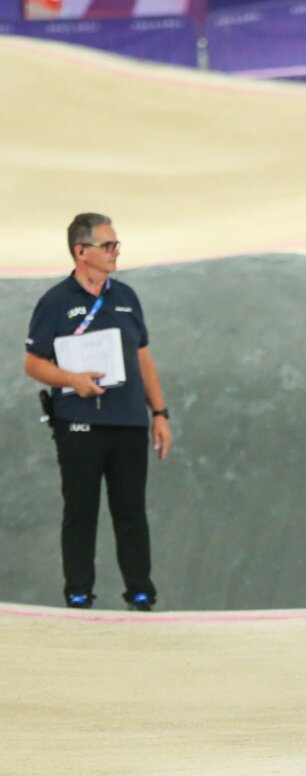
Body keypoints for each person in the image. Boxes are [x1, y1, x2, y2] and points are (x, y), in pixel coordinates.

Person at [24, 213, 172, 611]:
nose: (115, 253)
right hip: (78, 423)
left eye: (116, 245)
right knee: (81, 511)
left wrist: (160, 413)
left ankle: (140, 591)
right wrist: (72, 380)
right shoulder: (56, 302)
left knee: (131, 512)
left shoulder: (126, 298)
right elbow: (33, 363)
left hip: (127, 422)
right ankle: (78, 592)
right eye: (107, 246)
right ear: (80, 252)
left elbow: (144, 359)